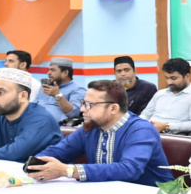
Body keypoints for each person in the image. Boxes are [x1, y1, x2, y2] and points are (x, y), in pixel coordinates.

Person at [29, 80, 174, 186]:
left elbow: (129, 169)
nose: (82, 109)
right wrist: (36, 165)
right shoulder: (91, 127)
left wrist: (68, 170)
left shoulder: (141, 130)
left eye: (89, 105)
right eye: (83, 104)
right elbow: (58, 151)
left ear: (113, 109)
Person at [140, 58, 191, 135]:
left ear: (187, 76)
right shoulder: (160, 94)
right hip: (148, 131)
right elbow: (145, 115)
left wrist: (167, 126)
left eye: (173, 78)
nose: (169, 82)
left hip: (173, 136)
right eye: (166, 78)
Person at [34, 57, 86, 124]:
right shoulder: (45, 86)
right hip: (34, 121)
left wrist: (58, 95)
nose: (48, 73)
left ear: (65, 73)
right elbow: (34, 105)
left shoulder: (78, 90)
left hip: (54, 126)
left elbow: (73, 113)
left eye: (53, 70)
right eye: (48, 70)